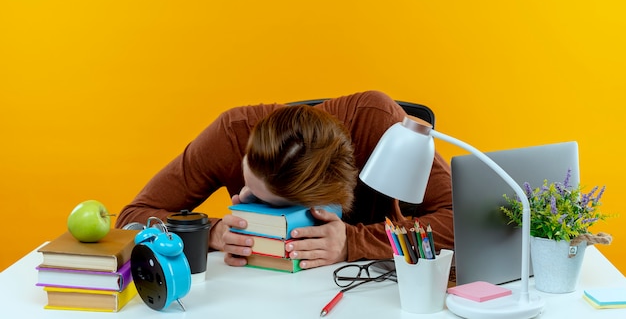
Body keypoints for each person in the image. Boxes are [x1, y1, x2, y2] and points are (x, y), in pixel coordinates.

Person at [116, 90, 454, 269]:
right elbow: (131, 218)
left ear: (333, 195)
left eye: (278, 208)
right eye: (254, 196)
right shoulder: (231, 135)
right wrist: (211, 233)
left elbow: (459, 222)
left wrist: (354, 242)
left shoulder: (378, 124)